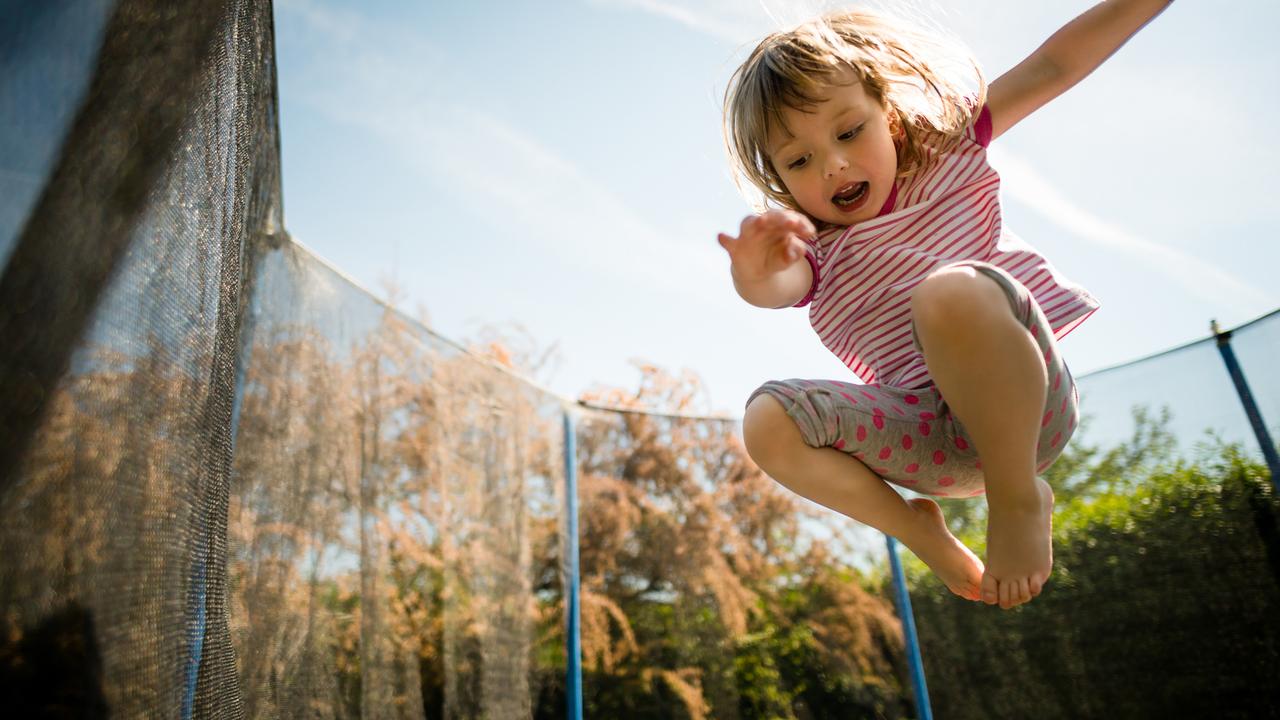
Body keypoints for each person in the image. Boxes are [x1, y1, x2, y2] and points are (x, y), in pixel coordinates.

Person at [717, 1, 1172, 609]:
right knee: (767, 420)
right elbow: (776, 289)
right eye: (800, 161)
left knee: (948, 291)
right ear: (780, 178)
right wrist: (754, 274)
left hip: (1026, 413)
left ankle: (1019, 498)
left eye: (849, 132)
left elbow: (1052, 67)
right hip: (928, 442)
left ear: (893, 123)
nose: (834, 164)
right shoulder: (813, 248)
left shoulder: (947, 156)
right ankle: (918, 530)